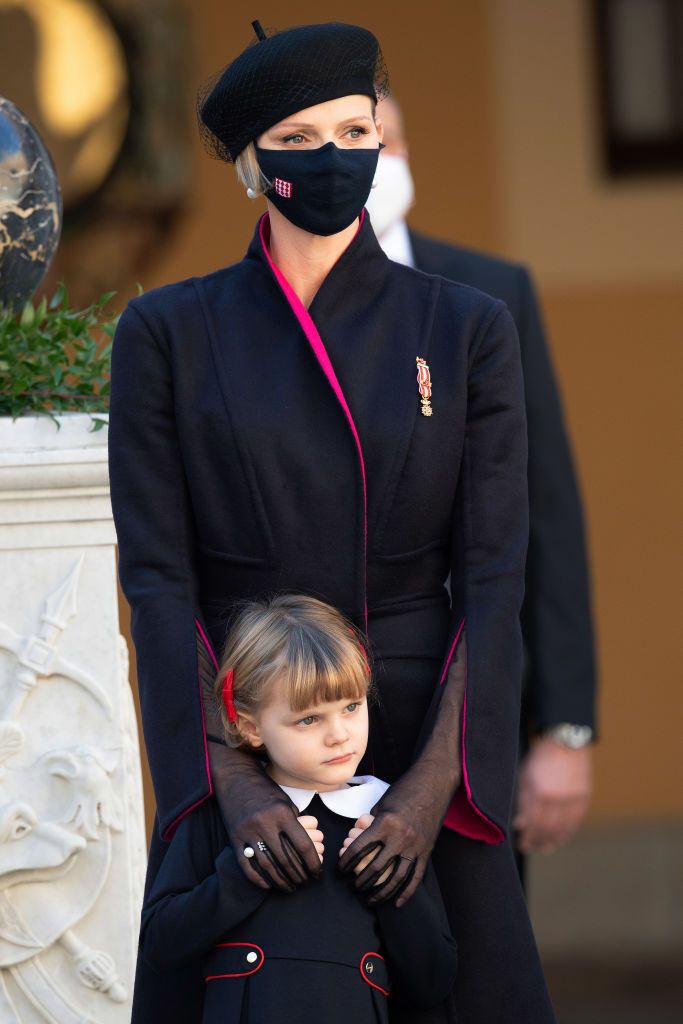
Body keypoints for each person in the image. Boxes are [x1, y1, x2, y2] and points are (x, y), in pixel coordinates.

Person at [109, 20, 557, 1023]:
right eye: (300, 140)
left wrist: (428, 792)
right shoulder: (167, 333)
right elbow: (158, 582)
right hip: (249, 727)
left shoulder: (465, 326)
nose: (334, 159)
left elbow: (492, 582)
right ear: (252, 164)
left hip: (418, 729)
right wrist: (232, 782)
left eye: (355, 132)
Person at [365, 96, 597, 864]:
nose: (365, 162)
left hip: (473, 709)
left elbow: (545, 509)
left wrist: (563, 728)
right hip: (310, 707)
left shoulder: (490, 295)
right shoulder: (258, 307)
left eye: (378, 140)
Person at [139, 594, 457, 1023]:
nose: (339, 734)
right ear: (250, 727)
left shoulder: (388, 821)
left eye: (351, 707)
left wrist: (387, 885)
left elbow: (432, 980)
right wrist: (244, 874)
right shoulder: (221, 814)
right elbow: (160, 944)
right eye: (309, 719)